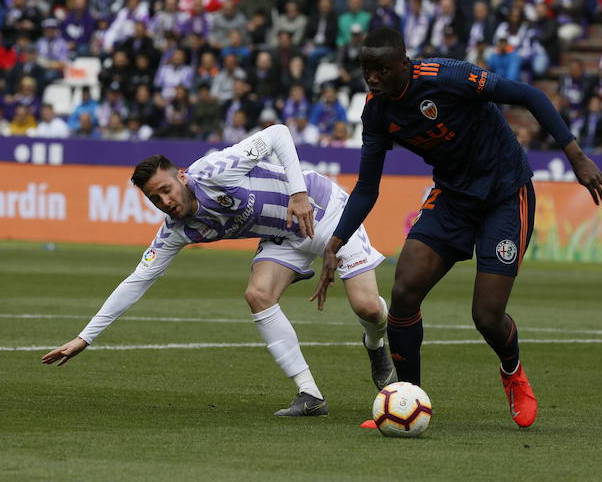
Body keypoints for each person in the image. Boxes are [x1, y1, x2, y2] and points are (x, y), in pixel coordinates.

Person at [312, 28, 602, 429]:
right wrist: (336, 241)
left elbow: (530, 96)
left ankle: (513, 372)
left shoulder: (448, 77)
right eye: (367, 69)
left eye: (381, 69)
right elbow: (368, 187)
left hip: (506, 194)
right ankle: (407, 398)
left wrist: (575, 155)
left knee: (487, 315)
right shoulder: (377, 112)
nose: (373, 78)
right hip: (453, 197)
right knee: (404, 290)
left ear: (404, 64)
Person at [42, 124, 396, 416]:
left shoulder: (214, 171)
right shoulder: (176, 230)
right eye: (155, 199)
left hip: (325, 210)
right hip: (281, 237)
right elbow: (139, 279)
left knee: (366, 307)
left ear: (181, 177)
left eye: (166, 190)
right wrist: (85, 337)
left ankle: (375, 342)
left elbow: (278, 134)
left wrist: (298, 193)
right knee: (257, 294)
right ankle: (310, 395)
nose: (165, 202)